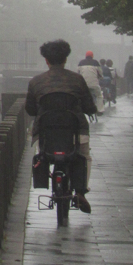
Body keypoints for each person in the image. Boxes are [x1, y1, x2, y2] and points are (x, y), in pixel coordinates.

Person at [26, 39, 96, 213]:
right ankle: (80, 191)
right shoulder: (77, 80)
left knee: (43, 154)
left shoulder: (36, 82)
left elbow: (30, 109)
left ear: (46, 60)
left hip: (46, 134)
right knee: (84, 156)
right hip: (76, 131)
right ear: (65, 59)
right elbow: (89, 106)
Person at [77, 50, 104, 114]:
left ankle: (81, 110)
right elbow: (100, 73)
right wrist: (101, 77)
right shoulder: (96, 63)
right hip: (94, 84)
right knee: (99, 95)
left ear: (85, 56)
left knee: (80, 96)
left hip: (84, 85)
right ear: (92, 56)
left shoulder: (81, 63)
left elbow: (78, 73)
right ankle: (100, 110)